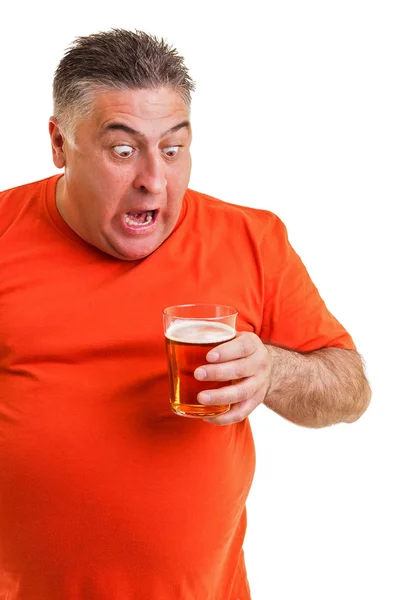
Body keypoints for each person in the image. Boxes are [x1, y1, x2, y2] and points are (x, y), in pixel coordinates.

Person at [0, 28, 371, 600]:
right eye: (123, 150)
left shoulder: (253, 239)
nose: (154, 178)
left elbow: (349, 391)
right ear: (58, 143)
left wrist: (273, 369)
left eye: (172, 148)